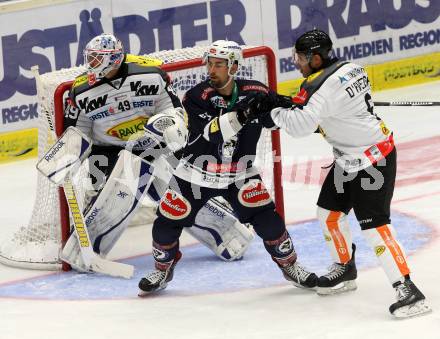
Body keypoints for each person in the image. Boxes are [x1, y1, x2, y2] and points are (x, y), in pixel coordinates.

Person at [251, 29, 431, 318]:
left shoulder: (322, 88)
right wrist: (287, 103)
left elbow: (301, 125)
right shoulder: (350, 68)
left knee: (375, 226)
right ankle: (345, 268)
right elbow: (315, 108)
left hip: (374, 160)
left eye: (300, 57)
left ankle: (408, 289)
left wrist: (272, 112)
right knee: (329, 213)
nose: (296, 62)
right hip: (348, 159)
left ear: (317, 58)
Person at [138, 40, 318, 295]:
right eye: (210, 63)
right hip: (195, 174)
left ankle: (290, 265)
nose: (212, 69)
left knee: (270, 222)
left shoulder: (255, 91)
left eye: (219, 64)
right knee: (166, 223)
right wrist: (245, 113)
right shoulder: (196, 97)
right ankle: (162, 269)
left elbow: (283, 123)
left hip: (239, 173)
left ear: (233, 66)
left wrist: (284, 106)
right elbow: (212, 134)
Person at [61, 33, 254, 271]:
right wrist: (69, 157)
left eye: (96, 59)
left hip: (151, 142)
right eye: (89, 58)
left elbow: (173, 110)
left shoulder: (150, 74)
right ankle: (83, 250)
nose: (90, 64)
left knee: (176, 192)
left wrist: (172, 126)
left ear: (113, 59)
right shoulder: (81, 90)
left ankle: (229, 234)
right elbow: (76, 134)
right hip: (107, 151)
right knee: (114, 199)